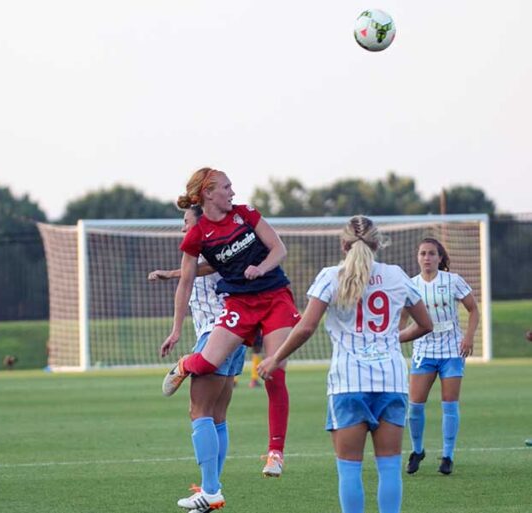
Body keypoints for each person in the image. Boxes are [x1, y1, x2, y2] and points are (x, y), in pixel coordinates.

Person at [257, 215, 433, 513]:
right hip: (391, 381)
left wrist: (275, 358)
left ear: (343, 245)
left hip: (348, 383)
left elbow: (306, 328)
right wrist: (389, 339)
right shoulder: (397, 275)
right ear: (378, 244)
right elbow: (425, 324)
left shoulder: (330, 276)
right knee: (389, 468)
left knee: (350, 469)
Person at [160, 167, 301, 486]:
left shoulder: (245, 213)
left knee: (275, 370)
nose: (233, 191)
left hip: (275, 296)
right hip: (240, 304)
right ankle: (185, 364)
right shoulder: (197, 236)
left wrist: (261, 267)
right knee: (206, 363)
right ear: (208, 193)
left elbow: (278, 248)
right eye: (226, 186)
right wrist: (176, 330)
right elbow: (186, 281)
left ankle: (275, 453)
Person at [149, 205, 247, 512]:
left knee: (199, 411)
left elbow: (205, 268)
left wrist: (174, 272)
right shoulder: (223, 245)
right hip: (235, 333)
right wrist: (176, 329)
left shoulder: (215, 247)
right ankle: (210, 489)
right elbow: (190, 282)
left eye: (186, 222)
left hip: (217, 333)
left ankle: (211, 489)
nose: (183, 229)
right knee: (217, 415)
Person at [401, 238, 479, 476]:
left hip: (451, 352)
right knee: (414, 406)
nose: (427, 258)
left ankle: (447, 456)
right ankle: (417, 451)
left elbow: (473, 309)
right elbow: (402, 318)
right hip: (424, 351)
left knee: (449, 404)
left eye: (432, 253)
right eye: (423, 253)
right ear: (417, 257)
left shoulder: (452, 281)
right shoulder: (411, 285)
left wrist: (468, 337)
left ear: (440, 258)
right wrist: (397, 338)